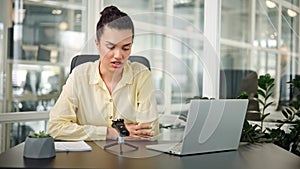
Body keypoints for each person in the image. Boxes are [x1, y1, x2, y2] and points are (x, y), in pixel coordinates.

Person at [48, 6, 159, 141]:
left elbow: (150, 131)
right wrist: (111, 133)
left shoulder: (141, 74)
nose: (118, 55)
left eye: (126, 48)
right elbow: (55, 127)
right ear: (97, 43)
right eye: (111, 47)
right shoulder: (79, 75)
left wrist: (85, 131)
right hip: (88, 158)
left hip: (130, 157)